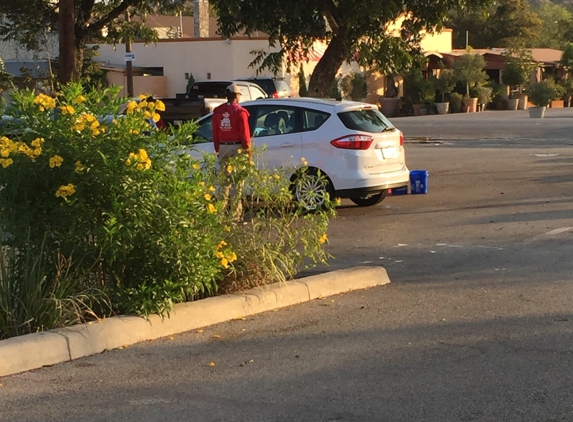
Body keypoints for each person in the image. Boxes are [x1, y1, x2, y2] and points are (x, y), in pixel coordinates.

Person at [212, 83, 252, 220]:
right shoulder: (241, 112)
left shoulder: (217, 112)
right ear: (237, 96)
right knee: (237, 183)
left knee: (224, 183)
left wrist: (218, 149)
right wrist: (248, 152)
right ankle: (234, 216)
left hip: (223, 147)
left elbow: (215, 133)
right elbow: (245, 135)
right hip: (237, 148)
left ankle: (219, 214)